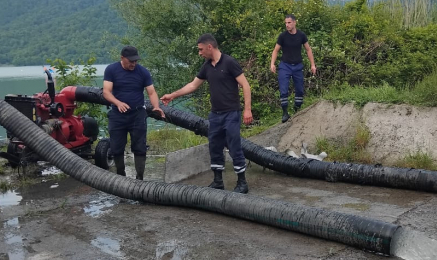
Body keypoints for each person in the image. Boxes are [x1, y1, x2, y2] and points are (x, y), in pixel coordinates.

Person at [161, 34, 253, 193]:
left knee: (234, 145)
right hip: (215, 115)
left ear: (210, 47)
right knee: (215, 146)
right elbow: (192, 85)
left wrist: (247, 109)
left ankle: (242, 183)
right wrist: (173, 95)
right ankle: (218, 181)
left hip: (231, 113)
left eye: (201, 49)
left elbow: (245, 85)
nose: (200, 53)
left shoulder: (229, 62)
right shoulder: (207, 66)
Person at [102, 45, 164, 180]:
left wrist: (156, 106)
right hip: (118, 114)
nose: (133, 63)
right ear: (122, 58)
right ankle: (121, 175)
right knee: (116, 146)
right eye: (131, 61)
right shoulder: (111, 70)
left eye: (136, 61)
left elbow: (151, 92)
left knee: (140, 147)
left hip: (137, 114)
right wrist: (117, 103)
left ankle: (139, 178)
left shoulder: (143, 72)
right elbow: (106, 92)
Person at [270, 14, 316, 123]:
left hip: (297, 66)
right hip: (285, 66)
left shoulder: (301, 35)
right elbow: (276, 50)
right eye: (286, 23)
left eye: (289, 22)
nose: (287, 25)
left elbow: (308, 50)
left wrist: (312, 65)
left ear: (294, 22)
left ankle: (297, 109)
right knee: (284, 90)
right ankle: (285, 112)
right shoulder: (282, 36)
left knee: (300, 90)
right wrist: (272, 64)